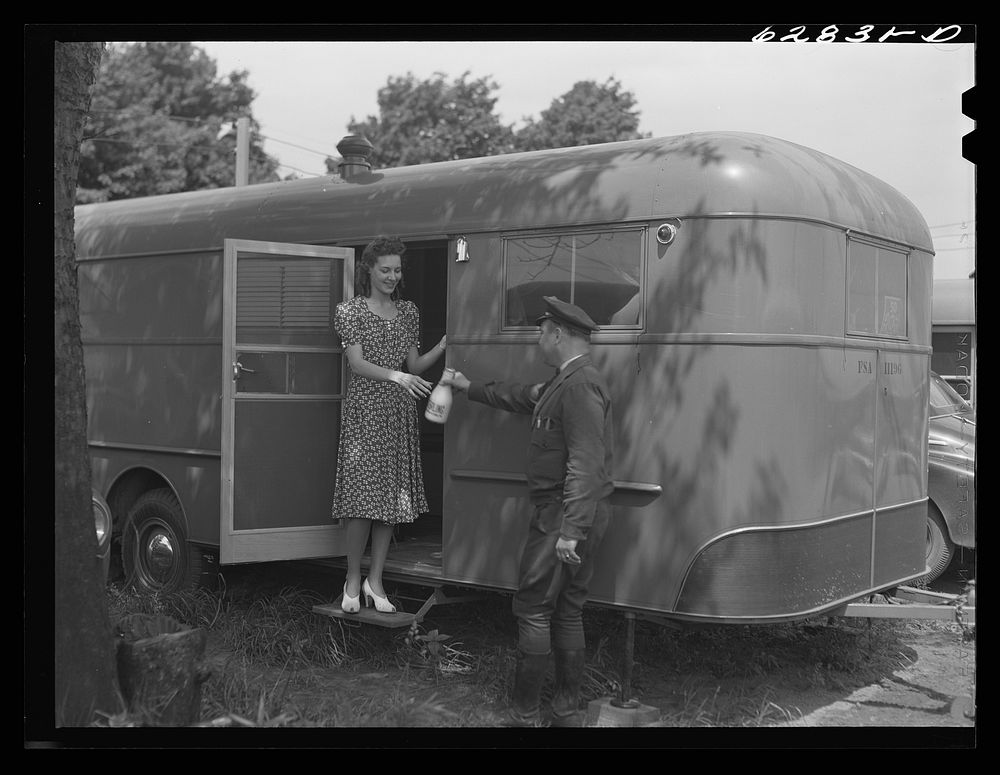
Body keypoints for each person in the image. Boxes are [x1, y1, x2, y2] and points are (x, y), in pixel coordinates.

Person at [442, 296, 614, 727]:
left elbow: (585, 462)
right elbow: (522, 397)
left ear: (558, 334)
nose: (538, 338)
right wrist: (469, 388)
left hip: (563, 514)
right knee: (569, 608)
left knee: (535, 609)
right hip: (574, 512)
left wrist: (570, 531)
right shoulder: (566, 381)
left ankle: (524, 715)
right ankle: (566, 711)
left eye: (541, 331)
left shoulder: (577, 387)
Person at [331, 236, 446, 614]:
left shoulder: (409, 312)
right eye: (385, 270)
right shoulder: (351, 311)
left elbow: (413, 366)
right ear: (369, 270)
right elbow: (358, 365)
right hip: (366, 413)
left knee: (389, 505)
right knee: (363, 501)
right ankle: (351, 578)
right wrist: (397, 378)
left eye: (397, 270)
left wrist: (442, 347)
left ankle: (375, 581)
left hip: (398, 415)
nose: (392, 276)